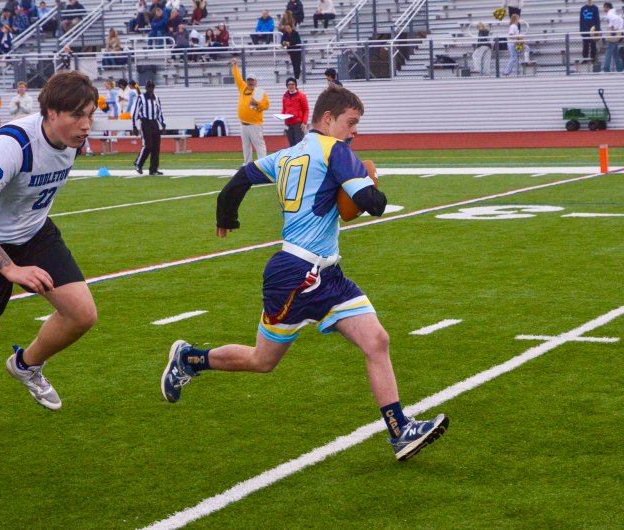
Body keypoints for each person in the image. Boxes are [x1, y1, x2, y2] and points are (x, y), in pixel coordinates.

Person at [160, 84, 449, 462]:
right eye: (351, 122)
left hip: (324, 273)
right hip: (299, 274)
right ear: (328, 119)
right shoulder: (335, 150)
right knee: (262, 361)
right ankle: (190, 359)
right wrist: (371, 178)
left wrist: (226, 216)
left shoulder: (287, 154)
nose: (354, 131)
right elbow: (372, 205)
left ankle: (400, 431)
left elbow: (239, 179)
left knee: (376, 340)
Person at [0, 70, 99, 459]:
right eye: (76, 115)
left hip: (32, 231)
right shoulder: (13, 144)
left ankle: (26, 365)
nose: (85, 125)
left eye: (91, 114)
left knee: (81, 314)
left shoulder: (74, 140)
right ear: (48, 112)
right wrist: (9, 269)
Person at [231, 58, 268, 164]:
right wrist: (234, 66)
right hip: (243, 124)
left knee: (259, 145)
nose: (250, 82)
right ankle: (247, 164)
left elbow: (266, 105)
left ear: (256, 81)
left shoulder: (259, 92)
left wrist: (257, 103)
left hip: (254, 124)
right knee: (245, 146)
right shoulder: (243, 88)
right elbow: (237, 78)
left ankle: (262, 164)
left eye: (252, 80)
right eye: (249, 80)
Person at [131, 79, 165, 175]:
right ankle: (138, 163)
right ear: (146, 88)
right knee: (148, 145)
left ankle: (153, 169)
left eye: (152, 87)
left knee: (156, 147)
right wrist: (134, 126)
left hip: (154, 123)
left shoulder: (156, 98)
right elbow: (135, 112)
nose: (150, 89)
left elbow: (159, 112)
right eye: (149, 87)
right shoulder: (141, 98)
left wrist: (162, 124)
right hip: (145, 123)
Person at [281, 77, 308, 146]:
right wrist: (281, 117)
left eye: (292, 84)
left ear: (295, 85)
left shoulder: (301, 95)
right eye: (289, 84)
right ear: (287, 86)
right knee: (291, 144)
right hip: (288, 123)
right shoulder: (284, 96)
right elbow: (284, 109)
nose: (291, 86)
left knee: (299, 144)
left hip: (298, 123)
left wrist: (304, 122)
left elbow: (306, 110)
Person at [602, 2, 624, 72]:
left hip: (612, 34)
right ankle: (620, 68)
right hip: (614, 33)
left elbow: (618, 20)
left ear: (607, 7)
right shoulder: (613, 13)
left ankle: (606, 69)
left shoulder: (610, 14)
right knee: (615, 53)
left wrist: (615, 28)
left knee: (609, 53)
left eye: (604, 7)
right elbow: (620, 20)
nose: (603, 9)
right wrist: (618, 28)